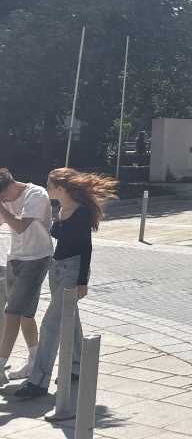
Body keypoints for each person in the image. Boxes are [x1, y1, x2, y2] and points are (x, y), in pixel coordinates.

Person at [12, 168, 117, 399]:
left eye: (49, 186)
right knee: (71, 318)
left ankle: (38, 382)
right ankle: (77, 367)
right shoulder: (61, 209)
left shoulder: (80, 213)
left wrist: (82, 281)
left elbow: (86, 248)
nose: (47, 189)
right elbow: (58, 234)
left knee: (51, 323)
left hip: (72, 269)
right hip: (57, 268)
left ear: (61, 188)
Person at [0, 168, 53, 385]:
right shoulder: (6, 198)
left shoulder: (36, 194)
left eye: (4, 197)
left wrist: (1, 207)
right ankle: (34, 360)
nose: (4, 201)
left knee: (11, 312)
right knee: (25, 316)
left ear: (11, 185)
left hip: (37, 258)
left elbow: (20, 226)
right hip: (15, 259)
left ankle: (0, 365)